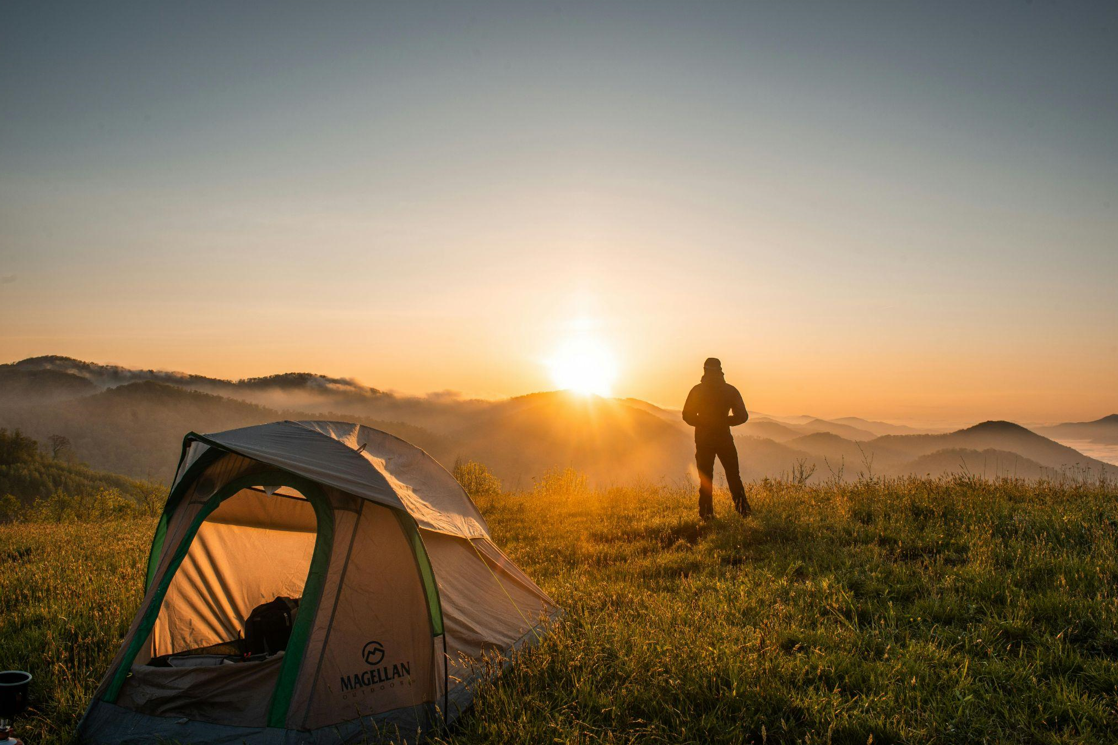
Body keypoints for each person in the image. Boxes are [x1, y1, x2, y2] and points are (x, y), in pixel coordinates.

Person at [682, 357, 751, 520]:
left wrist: (703, 422)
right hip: (724, 438)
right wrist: (724, 421)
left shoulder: (697, 390)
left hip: (703, 439)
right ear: (720, 370)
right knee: (733, 475)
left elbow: (687, 415)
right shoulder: (730, 390)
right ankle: (743, 511)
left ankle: (706, 514)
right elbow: (742, 416)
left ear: (704, 370)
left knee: (705, 477)